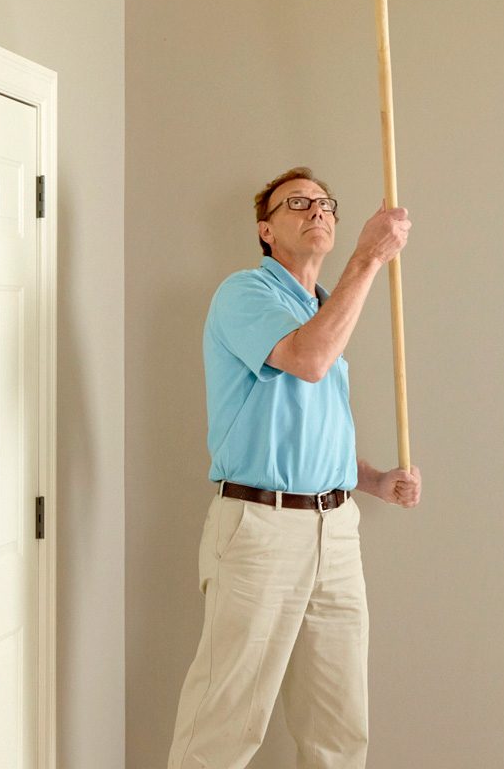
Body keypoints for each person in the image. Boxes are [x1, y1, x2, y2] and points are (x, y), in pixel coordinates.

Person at [168, 167, 423, 769]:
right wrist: (368, 258)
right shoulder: (243, 294)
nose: (318, 211)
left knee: (339, 730)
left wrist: (375, 481)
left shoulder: (328, 307)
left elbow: (310, 431)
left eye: (325, 203)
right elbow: (306, 361)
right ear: (266, 229)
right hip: (260, 529)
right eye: (297, 203)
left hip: (335, 532)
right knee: (224, 724)